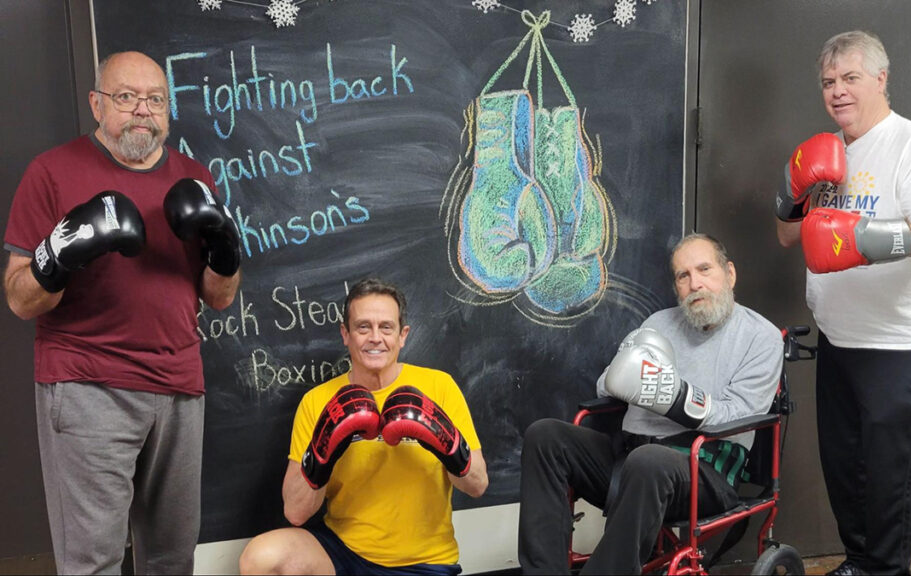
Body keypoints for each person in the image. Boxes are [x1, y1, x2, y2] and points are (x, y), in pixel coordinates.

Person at [2, 51, 241, 574]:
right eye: (126, 97)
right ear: (97, 103)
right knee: (93, 561)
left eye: (154, 99)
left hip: (179, 385)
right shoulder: (53, 171)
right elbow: (20, 299)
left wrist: (226, 249)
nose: (142, 111)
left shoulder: (194, 178)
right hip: (88, 384)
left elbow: (220, 297)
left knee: (172, 558)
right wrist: (58, 252)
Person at [774, 30, 911, 576]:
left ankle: (885, 570)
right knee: (844, 465)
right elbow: (788, 237)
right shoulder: (827, 156)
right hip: (839, 336)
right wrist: (790, 190)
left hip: (896, 342)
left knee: (886, 471)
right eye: (829, 81)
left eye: (850, 78)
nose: (837, 91)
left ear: (881, 79)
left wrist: (864, 239)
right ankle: (860, 562)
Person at [518, 234, 784, 574]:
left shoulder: (760, 337)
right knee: (546, 437)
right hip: (630, 458)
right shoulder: (658, 323)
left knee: (649, 461)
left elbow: (742, 414)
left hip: (704, 469)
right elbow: (608, 385)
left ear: (729, 274)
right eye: (682, 276)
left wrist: (674, 396)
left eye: (705, 269)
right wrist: (623, 376)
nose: (695, 283)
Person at [239, 278, 489, 575]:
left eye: (386, 327)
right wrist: (322, 453)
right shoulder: (317, 401)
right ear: (345, 334)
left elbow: (477, 485)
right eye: (363, 327)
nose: (375, 337)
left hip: (424, 563)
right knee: (261, 558)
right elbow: (295, 512)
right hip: (342, 553)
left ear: (402, 335)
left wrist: (448, 443)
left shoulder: (439, 386)